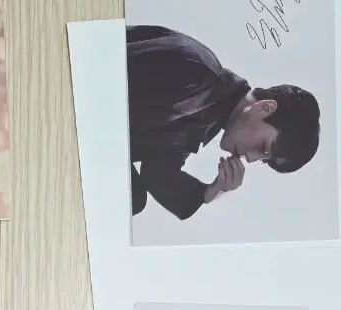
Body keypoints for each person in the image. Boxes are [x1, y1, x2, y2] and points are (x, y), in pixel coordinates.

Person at [126, 24, 321, 220]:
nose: (250, 158)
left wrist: (211, 191)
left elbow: (156, 173)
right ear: (265, 108)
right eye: (263, 147)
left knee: (131, 197)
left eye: (263, 159)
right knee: (132, 197)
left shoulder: (207, 116)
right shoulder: (196, 72)